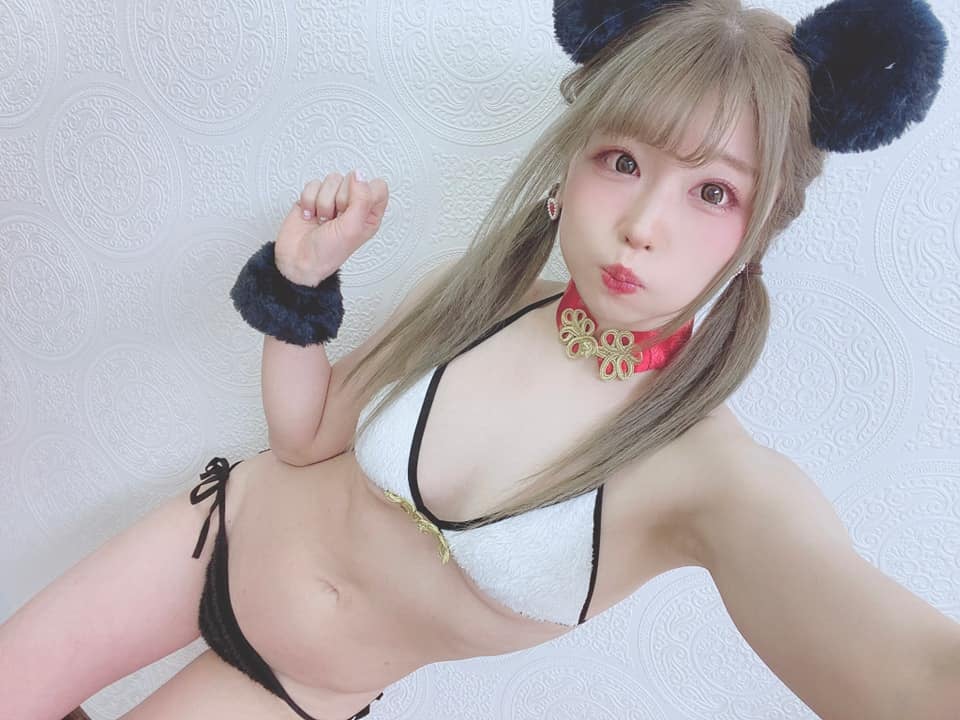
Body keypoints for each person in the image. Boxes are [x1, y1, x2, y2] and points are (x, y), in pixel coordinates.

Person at [1, 0, 956, 718]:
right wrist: (300, 283)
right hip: (214, 535)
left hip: (295, 690)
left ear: (759, 230)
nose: (641, 224)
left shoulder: (711, 477)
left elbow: (911, 671)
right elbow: (304, 439)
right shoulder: (482, 297)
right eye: (622, 161)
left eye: (712, 192)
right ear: (569, 167)